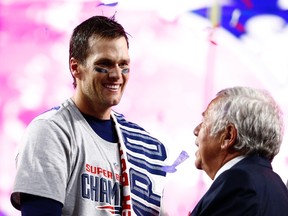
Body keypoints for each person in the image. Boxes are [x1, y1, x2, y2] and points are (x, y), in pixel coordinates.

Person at [10, 15, 168, 216]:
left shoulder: (142, 143)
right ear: (76, 68)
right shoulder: (50, 131)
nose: (117, 75)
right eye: (105, 64)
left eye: (123, 64)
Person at [190, 86, 288, 216]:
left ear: (228, 136)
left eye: (204, 121)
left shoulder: (238, 184)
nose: (196, 131)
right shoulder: (277, 187)